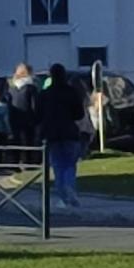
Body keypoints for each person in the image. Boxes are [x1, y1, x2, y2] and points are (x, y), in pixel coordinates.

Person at [38, 63, 84, 209]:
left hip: (52, 134)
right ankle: (70, 187)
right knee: (70, 164)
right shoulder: (71, 92)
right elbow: (79, 114)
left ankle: (63, 197)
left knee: (58, 166)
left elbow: (37, 114)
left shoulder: (45, 94)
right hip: (70, 132)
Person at [9, 63, 39, 146]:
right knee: (29, 141)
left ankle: (16, 157)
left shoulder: (12, 88)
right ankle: (29, 158)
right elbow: (34, 105)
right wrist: (36, 120)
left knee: (16, 140)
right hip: (28, 119)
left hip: (14, 118)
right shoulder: (31, 88)